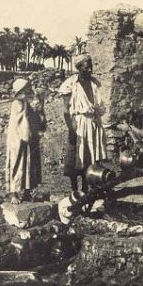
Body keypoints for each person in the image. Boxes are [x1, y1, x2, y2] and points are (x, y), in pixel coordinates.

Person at [58, 54, 106, 192]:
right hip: (78, 124)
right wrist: (71, 129)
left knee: (90, 156)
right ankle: (74, 190)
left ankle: (86, 187)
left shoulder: (94, 83)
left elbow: (100, 106)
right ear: (79, 68)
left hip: (93, 123)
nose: (90, 70)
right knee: (75, 156)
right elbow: (66, 110)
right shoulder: (70, 84)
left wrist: (99, 110)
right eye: (86, 67)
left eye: (91, 66)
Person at [5, 79, 46, 204]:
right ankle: (14, 193)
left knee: (29, 164)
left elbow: (34, 119)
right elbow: (21, 122)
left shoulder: (25, 103)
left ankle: (27, 192)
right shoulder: (18, 104)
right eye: (28, 88)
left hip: (26, 138)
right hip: (18, 139)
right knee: (17, 163)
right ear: (23, 90)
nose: (30, 90)